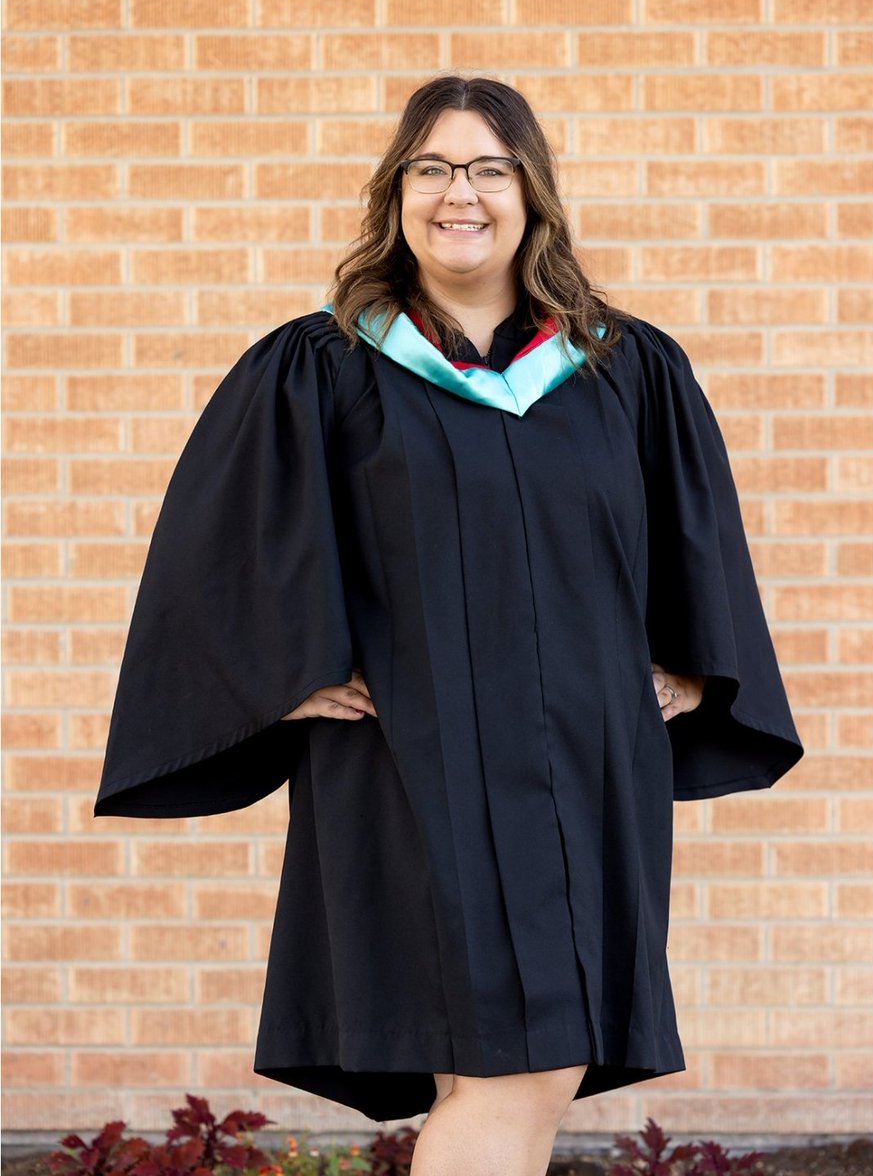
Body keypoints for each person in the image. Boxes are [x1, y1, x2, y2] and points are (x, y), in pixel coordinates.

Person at [95, 76, 803, 1176]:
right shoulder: (324, 365)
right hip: (412, 763)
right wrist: (276, 673)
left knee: (529, 1063)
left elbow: (690, 534)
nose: (457, 192)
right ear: (397, 192)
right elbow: (219, 545)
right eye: (430, 167)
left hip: (586, 766)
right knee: (512, 1062)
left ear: (532, 192)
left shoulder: (624, 368)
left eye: (486, 167)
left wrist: (693, 668)